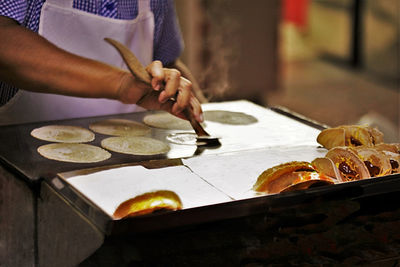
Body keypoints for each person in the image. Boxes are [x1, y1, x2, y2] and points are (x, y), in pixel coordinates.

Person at [0, 0, 206, 126]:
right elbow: (5, 43)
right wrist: (121, 84)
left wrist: (202, 114)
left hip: (129, 163)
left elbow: (167, 59)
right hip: (25, 164)